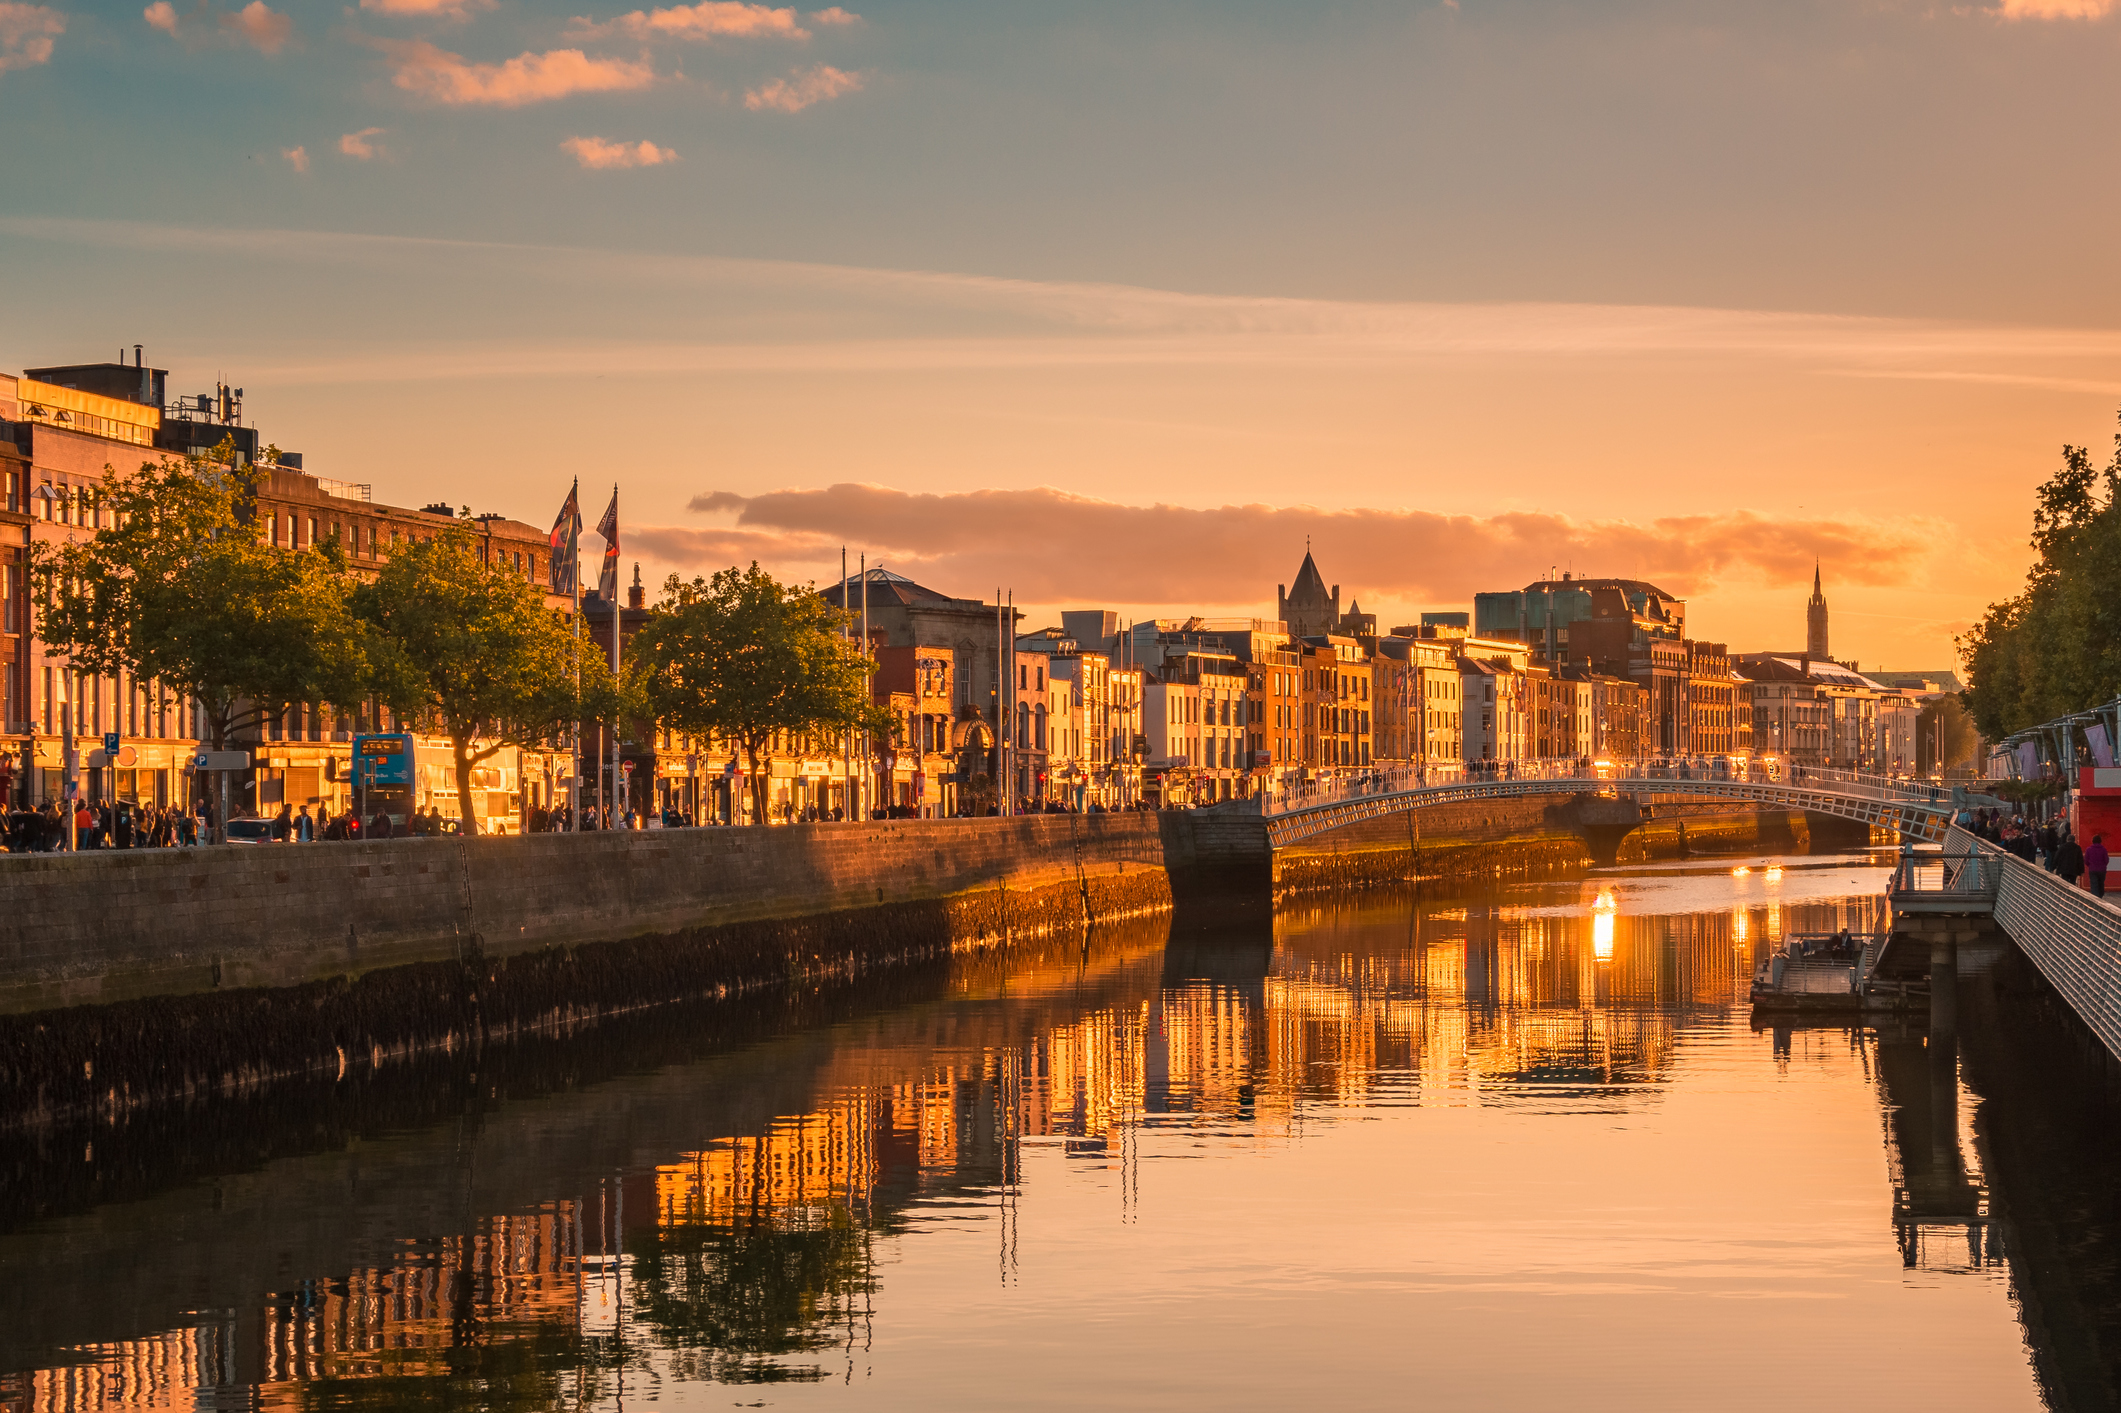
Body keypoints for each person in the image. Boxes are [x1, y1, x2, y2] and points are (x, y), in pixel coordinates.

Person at [2087, 835, 2110, 899]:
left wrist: (2090, 865)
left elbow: (2086, 860)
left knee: (2094, 884)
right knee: (2101, 883)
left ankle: (2095, 897)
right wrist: (2104, 865)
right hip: (2102, 869)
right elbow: (2106, 860)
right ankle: (2100, 895)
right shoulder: (2103, 849)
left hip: (2092, 869)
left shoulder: (2089, 849)